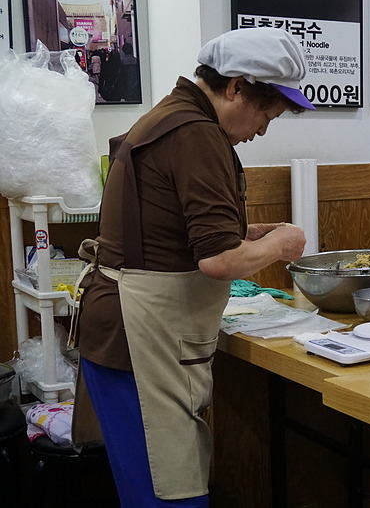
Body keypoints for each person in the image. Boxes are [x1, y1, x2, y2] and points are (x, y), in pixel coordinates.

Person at [72, 27, 314, 508]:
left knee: (154, 490)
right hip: (138, 344)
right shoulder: (198, 134)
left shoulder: (170, 116)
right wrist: (284, 243)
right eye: (266, 112)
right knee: (169, 495)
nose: (263, 129)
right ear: (235, 87)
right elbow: (218, 261)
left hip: (120, 334)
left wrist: (244, 235)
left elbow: (166, 232)